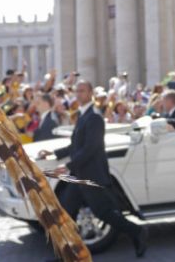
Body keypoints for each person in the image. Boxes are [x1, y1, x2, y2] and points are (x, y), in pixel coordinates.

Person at [38, 80, 148, 257]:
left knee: (104, 213)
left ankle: (137, 231)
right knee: (65, 211)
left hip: (92, 176)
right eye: (77, 91)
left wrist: (67, 166)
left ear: (90, 94)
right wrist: (52, 153)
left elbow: (91, 148)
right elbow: (75, 145)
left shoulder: (95, 117)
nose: (79, 94)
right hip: (79, 175)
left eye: (82, 91)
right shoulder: (83, 115)